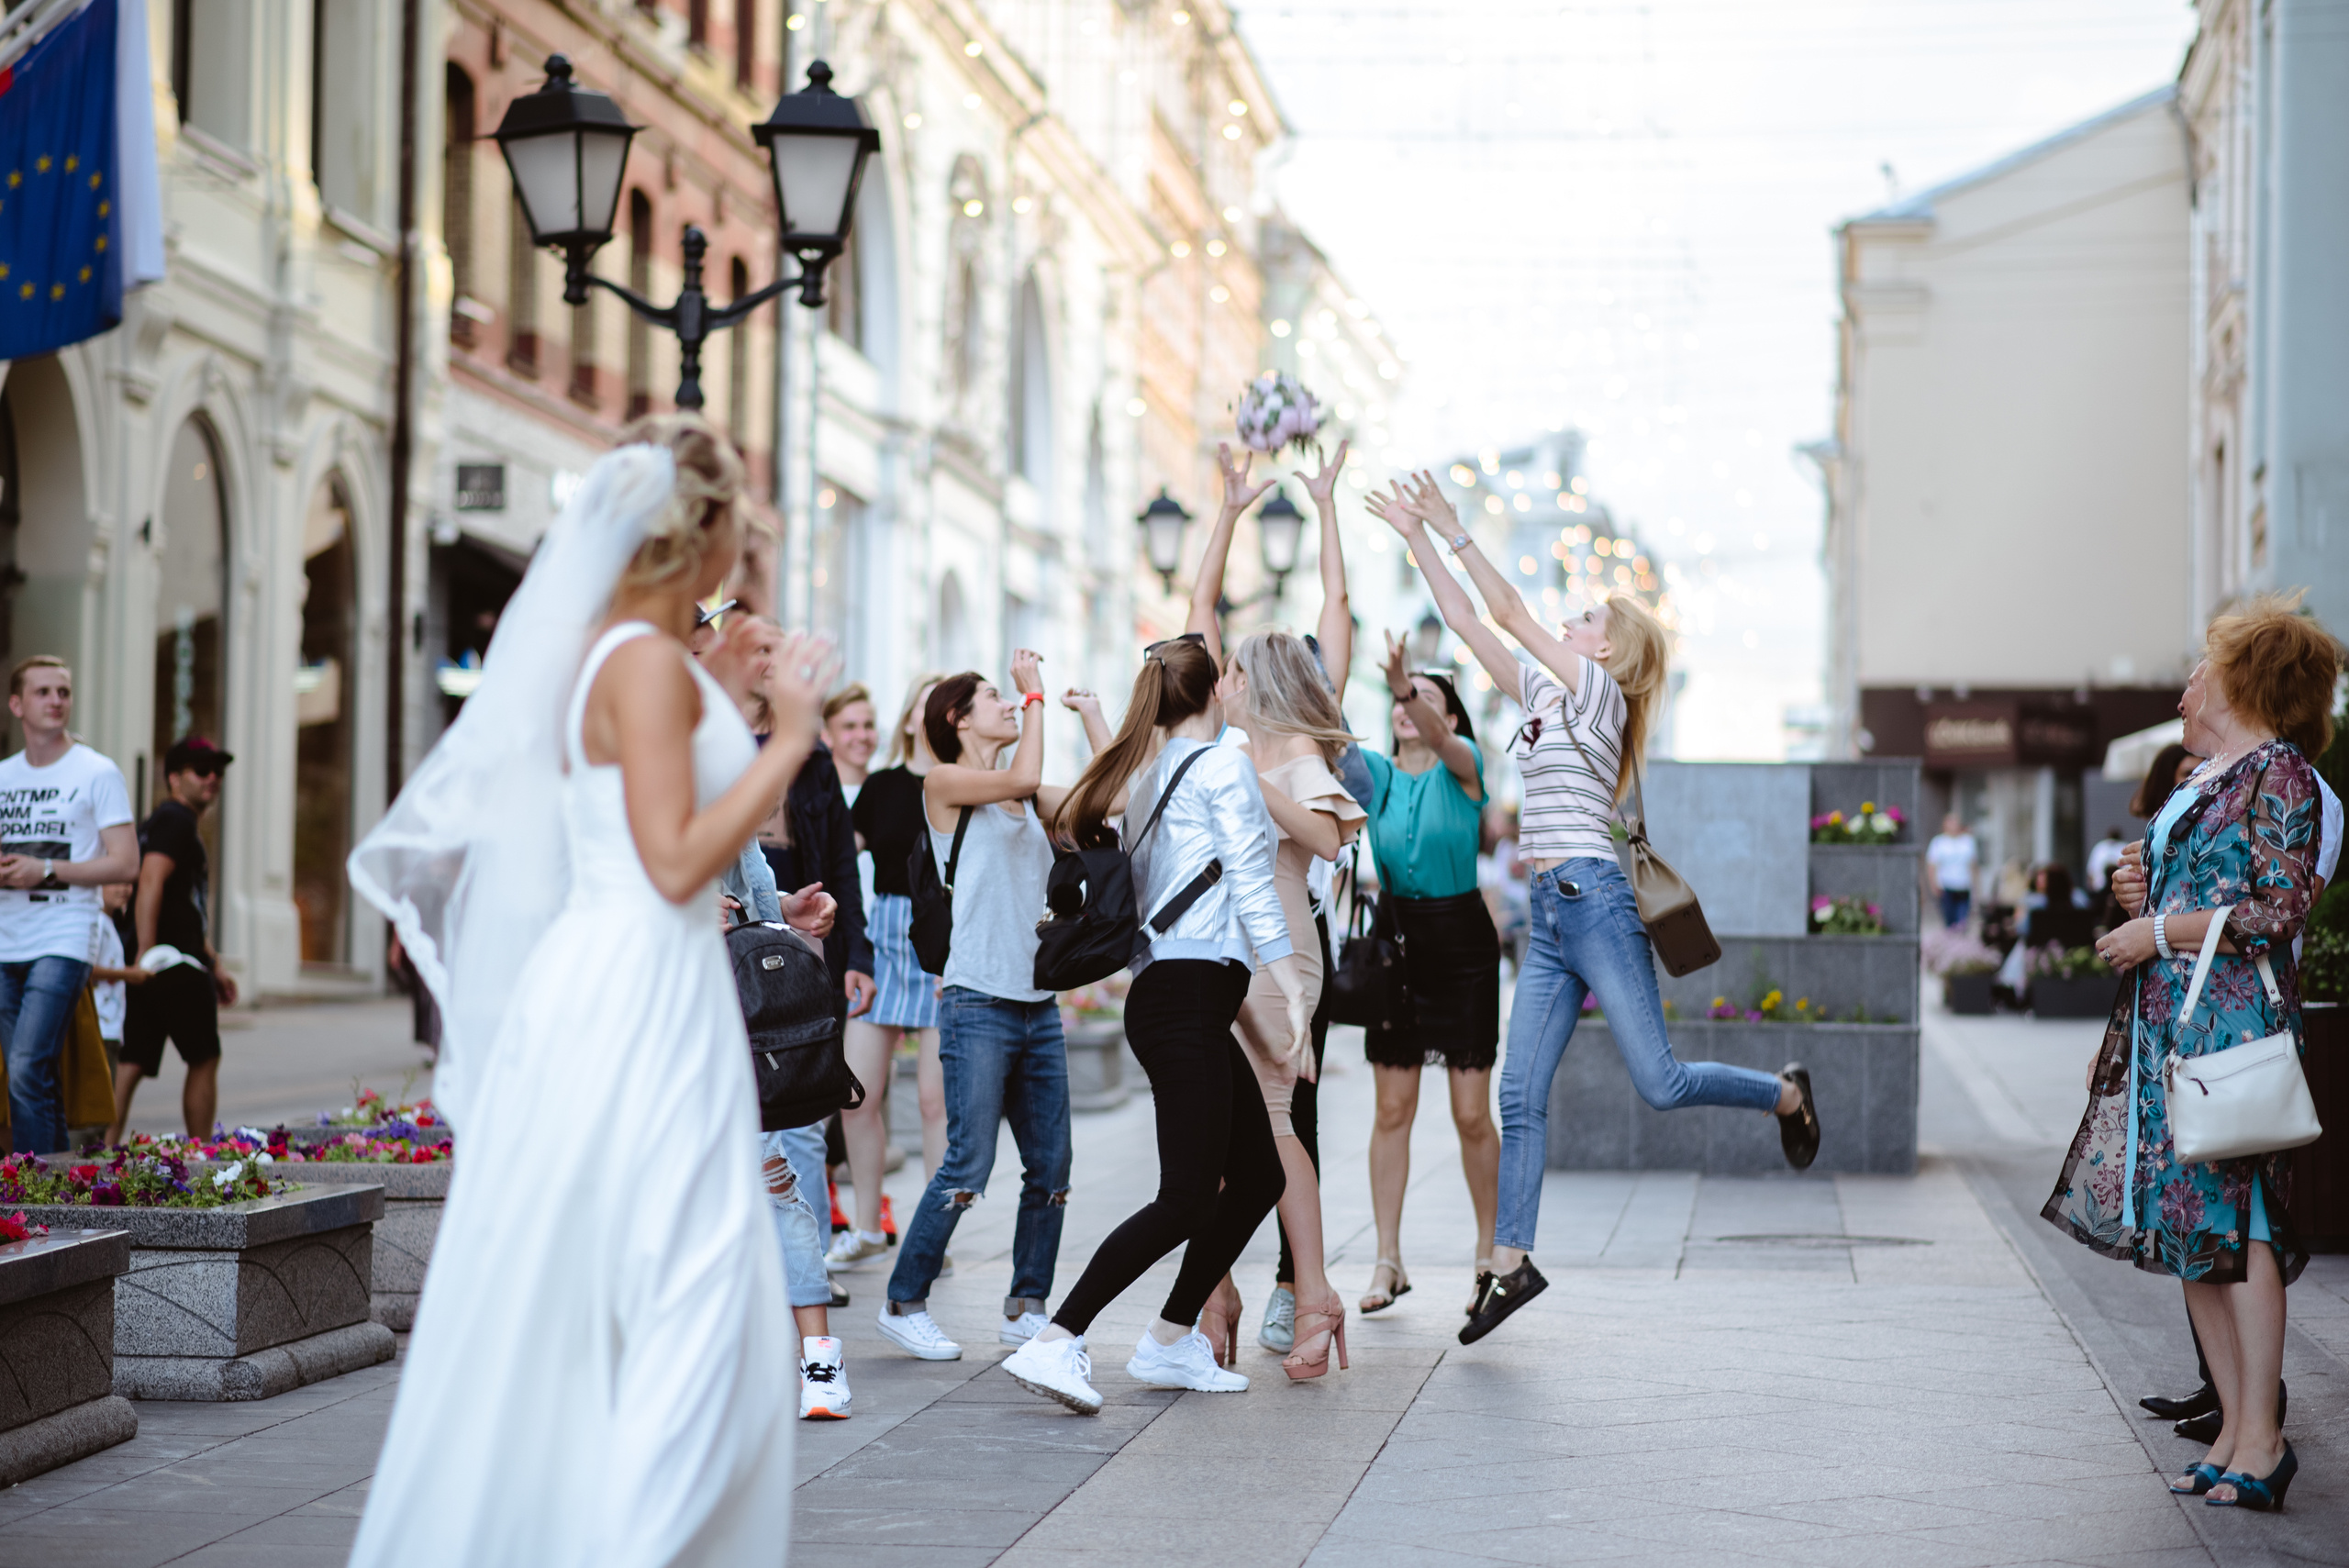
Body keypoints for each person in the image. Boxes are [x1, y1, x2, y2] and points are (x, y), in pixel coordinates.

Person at [347, 416, 833, 1560]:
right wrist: (792, 735)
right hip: (641, 991)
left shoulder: (617, 655)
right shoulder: (642, 664)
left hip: (619, 981)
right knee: (697, 1299)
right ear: (697, 529)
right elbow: (672, 859)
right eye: (740, 528)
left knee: (618, 1294)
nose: (747, 557)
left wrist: (720, 683)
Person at [1372, 472, 1819, 1346]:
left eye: (1585, 621)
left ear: (1605, 652)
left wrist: (1456, 524)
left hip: (1596, 902)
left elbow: (1504, 610)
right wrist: (1413, 537)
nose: (1570, 622)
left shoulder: (1598, 695)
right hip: (1550, 916)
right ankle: (1509, 1260)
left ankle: (1784, 1093)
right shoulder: (1545, 699)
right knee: (1519, 1093)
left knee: (1659, 1081)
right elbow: (1467, 624)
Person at [2050, 593, 2342, 1512]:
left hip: (2231, 1030)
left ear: (2245, 675)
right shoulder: (2219, 774)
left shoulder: (2280, 774)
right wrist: (2142, 884)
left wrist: (2158, 928)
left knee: (2243, 1227)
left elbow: (2278, 908)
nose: (2190, 677)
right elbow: (2210, 883)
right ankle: (2232, 1430)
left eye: (2205, 661)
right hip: (2178, 1024)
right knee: (2193, 1233)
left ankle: (2261, 1436)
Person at [1000, 636, 1308, 1413]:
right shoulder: (1222, 764)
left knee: (1259, 1176)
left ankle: (1170, 1340)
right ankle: (1056, 1339)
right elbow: (1247, 880)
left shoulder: (1150, 778)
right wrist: (1292, 987)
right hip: (1183, 998)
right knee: (1185, 1198)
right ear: (1213, 693)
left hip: (1180, 995)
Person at [1176, 442, 1366, 1376]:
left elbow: (1330, 844)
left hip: (1281, 952)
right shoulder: (1229, 740)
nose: (1222, 679)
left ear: (1264, 682)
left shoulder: (1296, 751)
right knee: (1210, 1130)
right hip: (1216, 948)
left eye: (1236, 671)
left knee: (1275, 1122)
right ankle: (1220, 1289)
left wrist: (1326, 506)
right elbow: (1193, 616)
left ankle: (1313, 1291)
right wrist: (1228, 508)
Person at [874, 657, 1108, 1362]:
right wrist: (1035, 693)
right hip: (975, 1000)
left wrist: (1093, 715)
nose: (1009, 706)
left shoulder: (1028, 804)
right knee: (967, 1164)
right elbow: (1025, 775)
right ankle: (903, 1300)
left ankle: (1026, 1304)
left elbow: (1115, 800)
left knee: (1053, 1165)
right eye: (995, 699)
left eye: (1012, 698)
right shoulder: (945, 785)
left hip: (1038, 1006)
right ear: (958, 719)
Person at [700, 609, 855, 1421]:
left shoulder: (726, 749)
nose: (775, 656)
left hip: (764, 1026)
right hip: (695, 1019)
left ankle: (818, 1362)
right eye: (761, 645)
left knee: (784, 1178)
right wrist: (697, 909)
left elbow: (752, 877)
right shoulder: (680, 733)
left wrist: (785, 912)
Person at [1353, 638, 1503, 1319]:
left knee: (1471, 1113)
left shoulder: (1464, 769)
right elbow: (1323, 734)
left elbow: (1445, 738)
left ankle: (1488, 1254)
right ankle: (1388, 1256)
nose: (1407, 707)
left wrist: (1410, 688)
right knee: (1392, 1110)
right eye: (1400, 698)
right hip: (1398, 945)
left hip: (1462, 947)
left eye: (1425, 699)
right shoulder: (1376, 774)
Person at [831, 673, 952, 1272]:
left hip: (940, 944)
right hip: (882, 942)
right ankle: (865, 1226)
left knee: (935, 1101)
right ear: (909, 720)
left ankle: (934, 1238)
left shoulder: (961, 784)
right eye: (927, 707)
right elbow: (841, 861)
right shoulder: (881, 786)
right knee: (857, 1096)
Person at [0, 658, 139, 1154]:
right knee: (35, 1074)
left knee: (26, 1064)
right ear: (17, 704)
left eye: (63, 691)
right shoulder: (4, 776)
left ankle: (33, 1190)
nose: (56, 700)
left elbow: (126, 863)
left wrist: (47, 870)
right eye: (43, 692)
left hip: (64, 937)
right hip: (5, 941)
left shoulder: (96, 771)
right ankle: (63, 1194)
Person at [110, 738, 239, 1141]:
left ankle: (100, 1152)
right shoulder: (176, 820)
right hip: (173, 962)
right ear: (173, 778)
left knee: (132, 1060)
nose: (213, 779)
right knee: (204, 1057)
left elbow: (183, 904)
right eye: (201, 771)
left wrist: (214, 963)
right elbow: (150, 881)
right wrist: (148, 954)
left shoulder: (158, 823)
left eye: (217, 772)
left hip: (159, 962)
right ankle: (202, 1152)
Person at [1925, 814, 1978, 929]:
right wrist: (1933, 885)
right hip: (1946, 885)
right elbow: (1932, 866)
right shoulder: (1938, 842)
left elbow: (1973, 865)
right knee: (1949, 921)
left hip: (1964, 885)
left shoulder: (1967, 841)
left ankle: (1960, 944)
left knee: (1962, 922)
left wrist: (1976, 887)